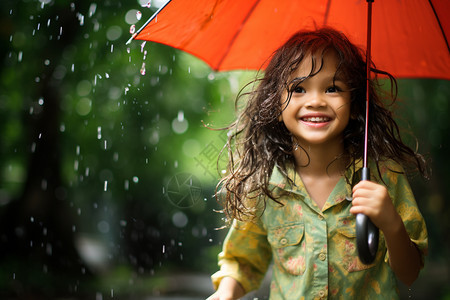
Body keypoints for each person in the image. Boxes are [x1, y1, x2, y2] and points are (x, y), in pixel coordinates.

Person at [207, 28, 428, 299]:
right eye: (298, 88)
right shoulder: (265, 187)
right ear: (275, 104)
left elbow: (410, 273)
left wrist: (392, 224)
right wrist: (226, 293)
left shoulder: (384, 176)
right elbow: (242, 261)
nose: (315, 101)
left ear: (355, 104)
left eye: (332, 88)